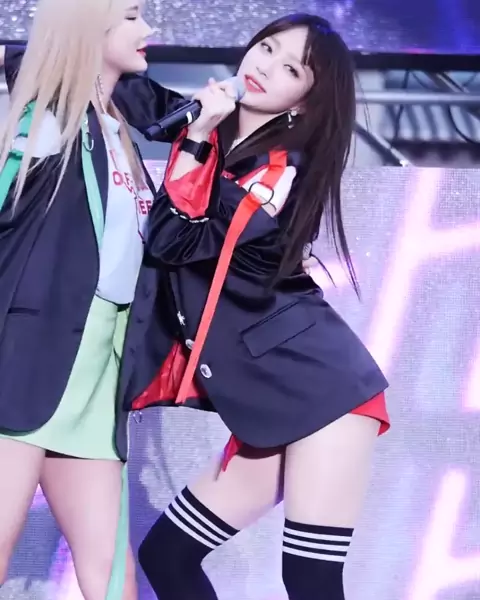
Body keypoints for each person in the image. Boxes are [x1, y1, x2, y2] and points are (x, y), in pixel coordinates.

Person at [118, 12, 391, 600]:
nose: (265, 67)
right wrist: (40, 59)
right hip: (267, 397)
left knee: (310, 576)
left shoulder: (278, 173)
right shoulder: (216, 128)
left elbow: (173, 241)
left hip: (325, 394)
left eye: (291, 69)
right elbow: (133, 94)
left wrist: (194, 139)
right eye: (267, 48)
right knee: (167, 556)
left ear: (305, 100)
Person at [0, 1, 184, 598]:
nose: (147, 28)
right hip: (24, 365)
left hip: (98, 377)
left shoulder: (116, 126)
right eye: (131, 15)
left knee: (111, 575)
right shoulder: (49, 121)